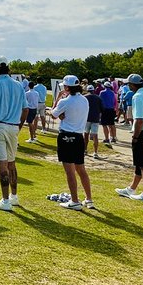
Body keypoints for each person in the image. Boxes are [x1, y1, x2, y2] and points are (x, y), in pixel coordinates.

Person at [0, 57, 28, 211]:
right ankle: (14, 196)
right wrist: (20, 125)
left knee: (2, 165)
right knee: (12, 163)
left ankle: (5, 200)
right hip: (13, 127)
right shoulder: (18, 85)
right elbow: (25, 109)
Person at [50, 76, 94, 209]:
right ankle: (89, 199)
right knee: (81, 169)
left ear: (67, 87)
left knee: (70, 171)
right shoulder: (84, 100)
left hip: (66, 137)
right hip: (79, 137)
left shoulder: (65, 101)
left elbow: (53, 114)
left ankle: (74, 200)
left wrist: (58, 99)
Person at [116, 74, 143, 203]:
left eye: (129, 84)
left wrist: (135, 137)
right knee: (140, 163)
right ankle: (132, 188)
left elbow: (139, 120)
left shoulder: (138, 96)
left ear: (132, 85)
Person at [83, 82, 102, 159]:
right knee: (95, 135)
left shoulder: (85, 97)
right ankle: (95, 152)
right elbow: (102, 109)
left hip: (87, 118)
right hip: (95, 118)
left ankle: (85, 150)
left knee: (86, 135)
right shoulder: (98, 98)